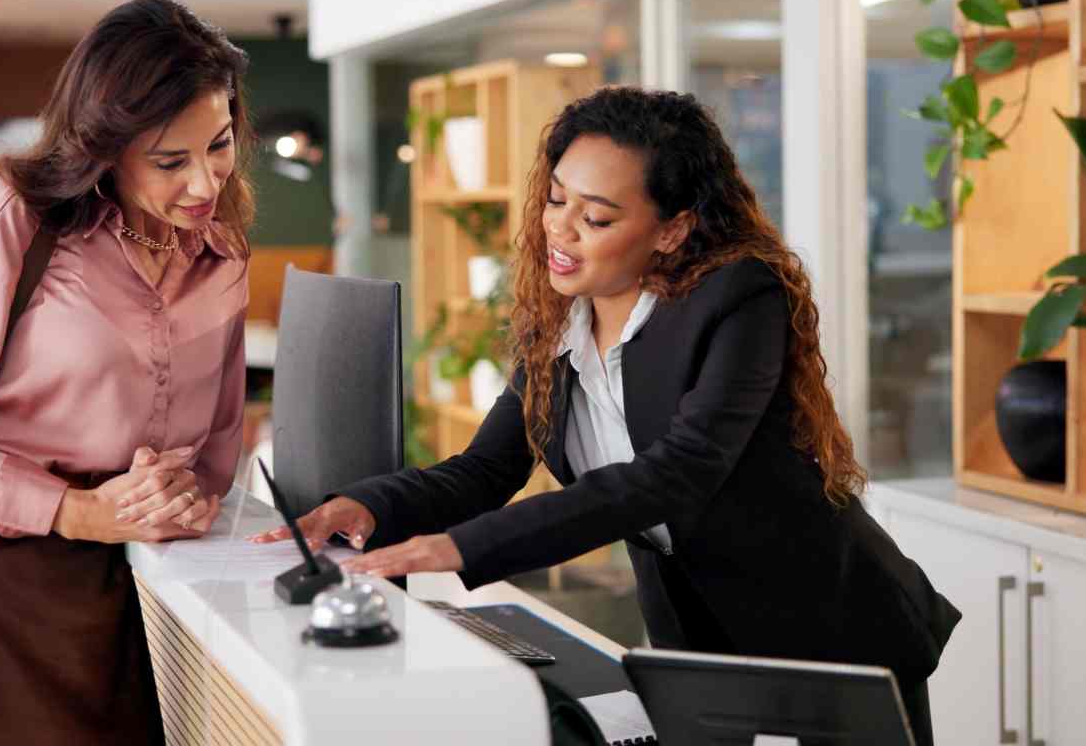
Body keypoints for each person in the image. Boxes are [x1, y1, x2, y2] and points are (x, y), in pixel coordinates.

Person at [256, 87, 960, 744]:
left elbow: (674, 476)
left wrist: (461, 548)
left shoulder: (738, 300)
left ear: (672, 230)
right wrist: (364, 507)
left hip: (833, 631)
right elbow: (485, 469)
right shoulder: (556, 329)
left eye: (596, 217)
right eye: (556, 200)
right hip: (700, 645)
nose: (560, 230)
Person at [0, 0, 255, 745]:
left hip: (111, 594)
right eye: (171, 161)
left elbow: (215, 445)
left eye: (219, 145)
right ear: (105, 144)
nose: (205, 184)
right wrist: (76, 511)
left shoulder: (220, 256)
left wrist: (183, 494)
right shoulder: (14, 218)